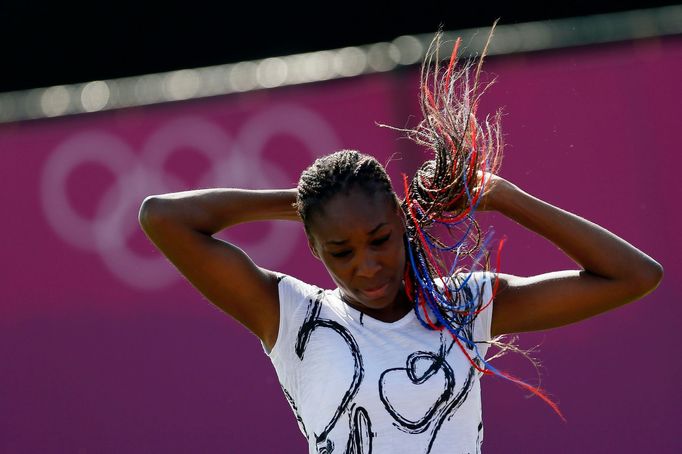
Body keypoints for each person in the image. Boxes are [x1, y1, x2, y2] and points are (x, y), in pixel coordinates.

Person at [138, 23, 662, 454]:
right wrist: (300, 202)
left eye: (379, 239)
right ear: (313, 247)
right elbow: (161, 217)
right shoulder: (290, 315)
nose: (367, 265)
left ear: (401, 216)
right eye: (340, 251)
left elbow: (635, 276)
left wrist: (504, 196)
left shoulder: (462, 305)